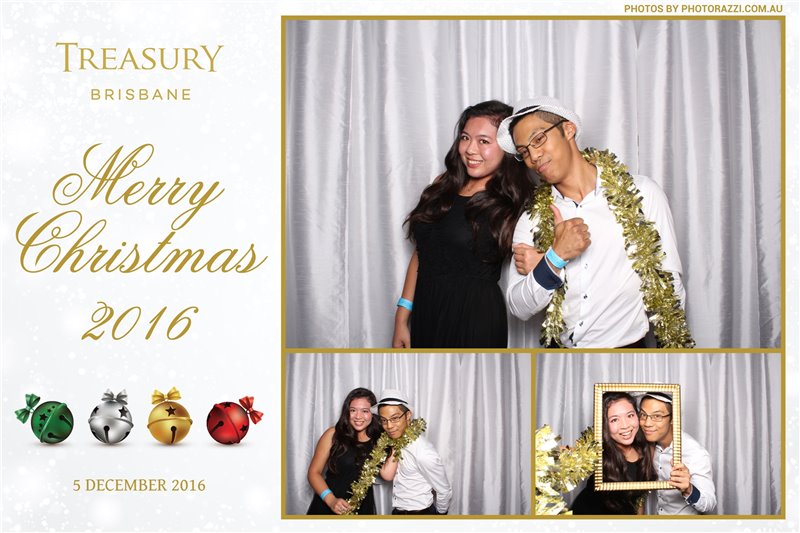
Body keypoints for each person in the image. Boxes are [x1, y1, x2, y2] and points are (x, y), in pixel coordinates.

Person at [497, 96, 693, 348]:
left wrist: (673, 355)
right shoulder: (532, 218)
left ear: (568, 129)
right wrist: (554, 259)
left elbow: (669, 285)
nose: (533, 156)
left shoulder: (641, 194)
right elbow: (518, 306)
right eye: (524, 151)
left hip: (626, 353)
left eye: (539, 139)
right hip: (560, 358)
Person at [392, 100, 535, 348]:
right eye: (465, 138)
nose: (470, 149)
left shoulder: (514, 202)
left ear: (506, 147)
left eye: (484, 141)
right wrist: (402, 317)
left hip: (474, 318)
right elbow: (424, 251)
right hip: (427, 310)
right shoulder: (443, 185)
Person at [572, 392, 657, 514]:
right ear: (604, 425)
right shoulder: (595, 451)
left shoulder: (648, 449)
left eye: (630, 415)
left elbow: (639, 498)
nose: (625, 425)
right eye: (614, 420)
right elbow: (562, 460)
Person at [306, 388, 382, 515]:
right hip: (327, 505)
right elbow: (313, 473)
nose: (358, 416)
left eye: (365, 411)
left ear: (373, 413)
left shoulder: (379, 440)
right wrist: (331, 500)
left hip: (362, 509)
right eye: (353, 410)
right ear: (347, 411)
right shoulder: (333, 434)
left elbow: (388, 475)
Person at [375, 389, 452, 514]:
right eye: (384, 420)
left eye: (395, 418)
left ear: (408, 415)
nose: (389, 426)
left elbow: (444, 491)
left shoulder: (423, 452)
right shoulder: (393, 443)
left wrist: (439, 517)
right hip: (398, 512)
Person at [639, 392, 716, 514]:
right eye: (643, 415)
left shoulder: (695, 453)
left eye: (657, 416)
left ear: (673, 418)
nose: (647, 423)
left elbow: (709, 503)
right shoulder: (647, 445)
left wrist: (689, 489)